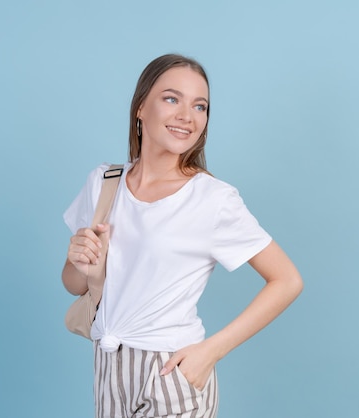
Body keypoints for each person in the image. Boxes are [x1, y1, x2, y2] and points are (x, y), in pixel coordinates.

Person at [62, 53, 303, 418]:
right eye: (172, 99)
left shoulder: (213, 199)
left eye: (200, 106)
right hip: (108, 366)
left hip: (171, 371)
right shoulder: (104, 182)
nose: (187, 116)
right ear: (141, 107)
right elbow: (73, 284)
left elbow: (287, 280)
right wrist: (81, 260)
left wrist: (211, 351)